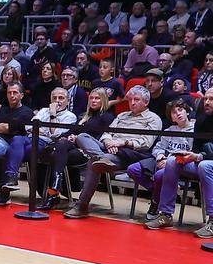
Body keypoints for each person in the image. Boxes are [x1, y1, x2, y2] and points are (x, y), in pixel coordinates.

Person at [64, 86, 163, 218]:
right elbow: (107, 133)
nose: (132, 103)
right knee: (82, 136)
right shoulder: (122, 116)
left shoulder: (153, 119)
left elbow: (146, 143)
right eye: (130, 100)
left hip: (128, 153)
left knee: (93, 163)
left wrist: (123, 143)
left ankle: (82, 206)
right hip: (109, 148)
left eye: (137, 100)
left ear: (146, 102)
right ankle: (102, 158)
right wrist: (108, 141)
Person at [0, 87, 77, 205]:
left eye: (61, 98)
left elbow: (55, 134)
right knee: (16, 139)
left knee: (12, 152)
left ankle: (5, 191)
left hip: (46, 145)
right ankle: (11, 178)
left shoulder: (70, 116)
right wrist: (43, 129)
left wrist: (52, 115)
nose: (57, 100)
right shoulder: (43, 110)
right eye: (54, 98)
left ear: (67, 101)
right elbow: (28, 127)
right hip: (29, 139)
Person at [39, 88, 114, 210]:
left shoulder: (107, 117)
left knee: (55, 152)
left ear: (104, 100)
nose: (93, 100)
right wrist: (69, 137)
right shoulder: (83, 116)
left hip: (89, 151)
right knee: (62, 144)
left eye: (97, 98)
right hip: (73, 148)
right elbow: (70, 131)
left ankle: (54, 191)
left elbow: (101, 138)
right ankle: (54, 189)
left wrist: (78, 139)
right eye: (91, 98)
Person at [127, 98, 196, 222]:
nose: (178, 113)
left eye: (180, 110)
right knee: (133, 169)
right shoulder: (169, 131)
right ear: (172, 118)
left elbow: (193, 153)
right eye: (174, 112)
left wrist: (169, 161)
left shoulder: (195, 129)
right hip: (163, 160)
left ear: (187, 112)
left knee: (159, 176)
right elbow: (158, 148)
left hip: (180, 164)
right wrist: (160, 156)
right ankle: (163, 192)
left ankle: (155, 202)